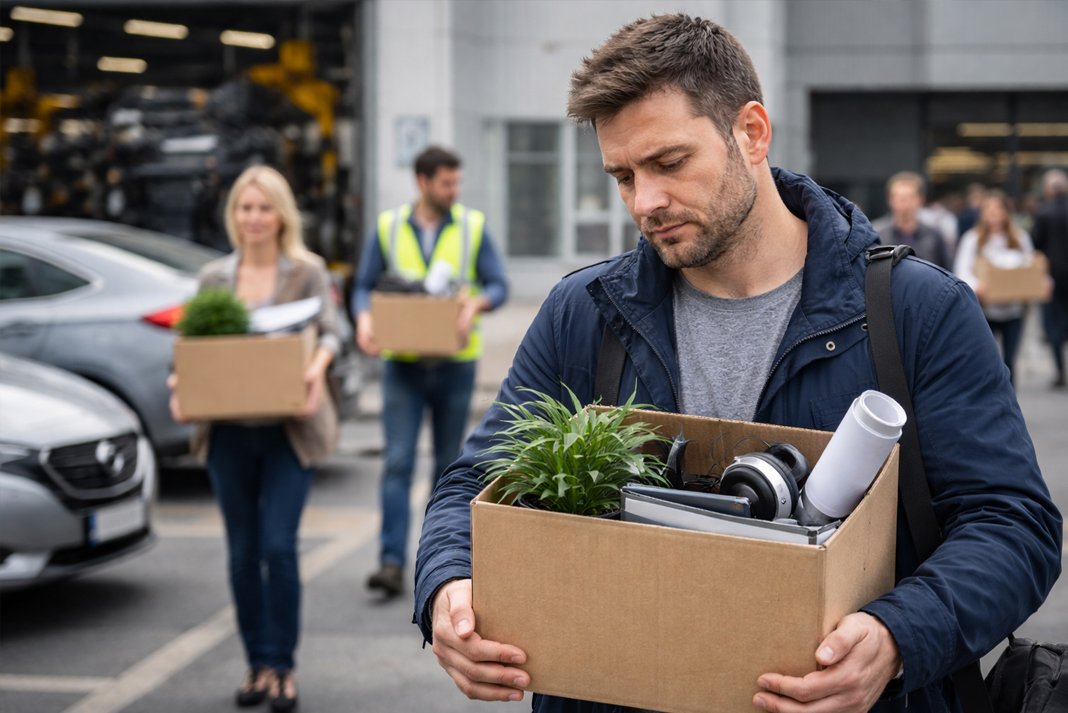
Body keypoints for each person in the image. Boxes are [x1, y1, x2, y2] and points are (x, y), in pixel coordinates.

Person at [414, 14, 1062, 713]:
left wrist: (895, 634)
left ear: (751, 132)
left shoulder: (917, 311)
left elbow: (1012, 523)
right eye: (623, 176)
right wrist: (450, 585)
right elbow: (473, 482)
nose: (645, 202)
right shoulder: (585, 312)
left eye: (668, 163)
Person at [170, 164, 341, 712]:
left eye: (265, 207)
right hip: (227, 436)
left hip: (288, 432)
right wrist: (181, 387)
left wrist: (315, 371)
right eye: (246, 208)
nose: (255, 218)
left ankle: (283, 666)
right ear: (233, 215)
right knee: (243, 554)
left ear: (281, 214)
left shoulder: (307, 273)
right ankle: (257, 665)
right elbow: (191, 348)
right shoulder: (214, 279)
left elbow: (333, 334)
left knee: (277, 548)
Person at [353, 145, 508, 598]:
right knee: (398, 462)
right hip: (402, 364)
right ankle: (390, 563)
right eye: (446, 183)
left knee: (448, 470)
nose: (454, 190)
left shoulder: (472, 227)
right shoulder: (387, 227)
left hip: (455, 365)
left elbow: (498, 284)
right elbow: (362, 287)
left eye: (456, 182)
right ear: (423, 182)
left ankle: (436, 566)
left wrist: (475, 303)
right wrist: (364, 319)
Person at [953, 189, 1036, 386]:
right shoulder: (972, 239)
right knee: (987, 360)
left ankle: (1010, 404)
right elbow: (961, 269)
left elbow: (1031, 267)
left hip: (1013, 309)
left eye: (998, 210)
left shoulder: (1019, 238)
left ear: (1007, 213)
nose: (994, 215)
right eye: (989, 210)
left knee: (1010, 361)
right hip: (984, 310)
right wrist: (977, 286)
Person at [1032, 168, 1068, 388]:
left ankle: (1060, 370)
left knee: (1053, 324)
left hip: (1052, 275)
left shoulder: (1043, 213)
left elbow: (1035, 244)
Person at [872, 172, 951, 268]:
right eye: (900, 198)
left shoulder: (934, 236)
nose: (905, 203)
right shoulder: (878, 236)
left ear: (921, 199)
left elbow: (946, 273)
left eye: (910, 197)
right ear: (890, 200)